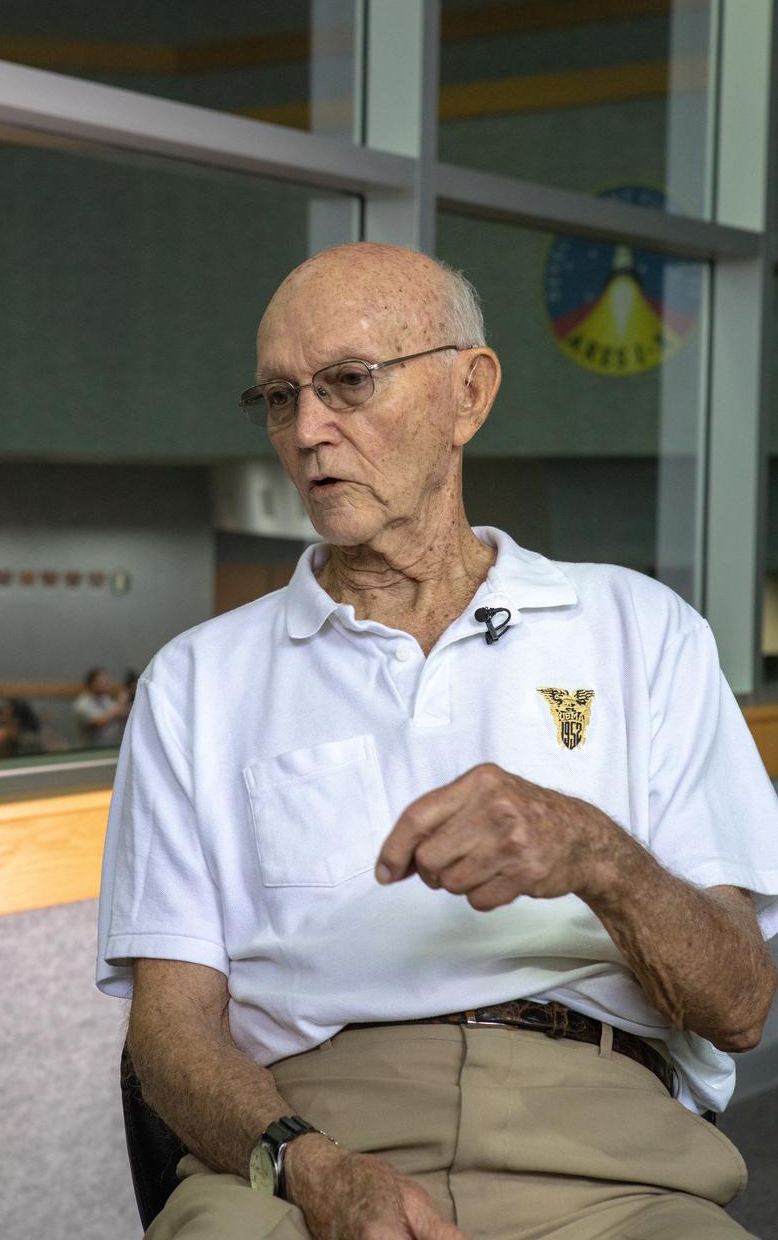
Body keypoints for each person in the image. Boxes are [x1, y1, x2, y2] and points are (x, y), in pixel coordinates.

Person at [96, 244, 778, 1240]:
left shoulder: (642, 630)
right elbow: (167, 1032)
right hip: (307, 1144)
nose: (307, 430)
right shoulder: (197, 681)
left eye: (348, 381)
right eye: (280, 398)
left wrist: (594, 853)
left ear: (469, 393)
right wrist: (310, 1166)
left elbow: (739, 1004)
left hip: (605, 1152)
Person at [72, 668, 130, 748]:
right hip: (90, 749)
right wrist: (120, 703)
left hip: (110, 746)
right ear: (92, 683)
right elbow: (101, 722)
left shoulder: (105, 698)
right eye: (103, 681)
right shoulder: (82, 704)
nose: (107, 683)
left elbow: (120, 714)